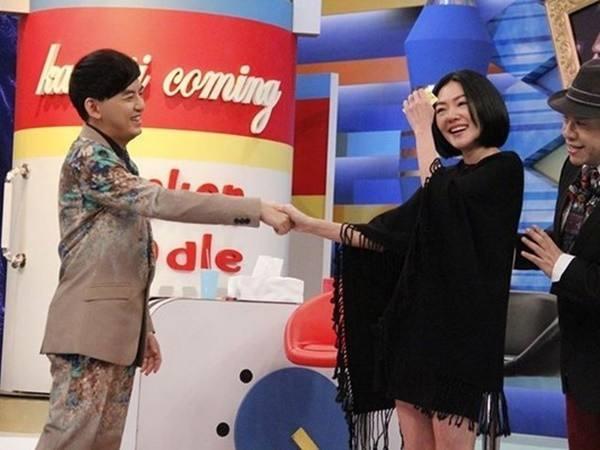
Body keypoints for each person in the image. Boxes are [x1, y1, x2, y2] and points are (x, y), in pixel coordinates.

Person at [35, 49, 290, 450]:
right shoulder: (90, 159)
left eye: (140, 93)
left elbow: (121, 259)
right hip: (87, 332)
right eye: (128, 96)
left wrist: (143, 328)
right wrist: (254, 209)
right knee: (70, 442)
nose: (140, 105)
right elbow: (161, 201)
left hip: (112, 333)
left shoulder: (114, 158)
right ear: (94, 107)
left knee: (102, 444)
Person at [281, 70, 524, 450]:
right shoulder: (446, 180)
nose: (451, 116)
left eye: (461, 104)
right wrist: (308, 224)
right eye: (440, 109)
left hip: (461, 341)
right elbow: (382, 235)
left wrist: (422, 131)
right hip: (414, 335)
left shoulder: (504, 169)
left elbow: (444, 200)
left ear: (486, 104)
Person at [517, 58, 600, 450]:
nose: (567, 133)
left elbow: (565, 260)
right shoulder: (573, 169)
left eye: (580, 123)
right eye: (566, 120)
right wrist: (502, 249)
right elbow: (570, 241)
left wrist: (560, 265)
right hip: (580, 370)